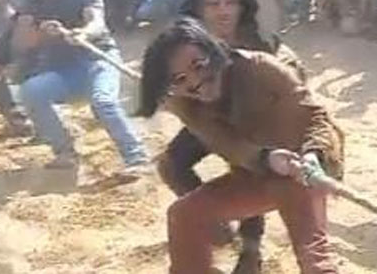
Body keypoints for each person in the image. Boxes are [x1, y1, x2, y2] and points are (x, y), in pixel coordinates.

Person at [138, 17, 343, 274]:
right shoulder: (183, 102)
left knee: (315, 260)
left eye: (199, 65)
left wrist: (314, 157)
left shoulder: (261, 67)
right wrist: (267, 159)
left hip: (304, 169)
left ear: (214, 52)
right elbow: (227, 144)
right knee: (184, 215)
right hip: (257, 170)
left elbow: (316, 118)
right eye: (179, 79)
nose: (195, 82)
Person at [157, 0, 307, 273]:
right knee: (171, 163)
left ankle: (251, 250)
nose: (223, 11)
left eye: (230, 2)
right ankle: (217, 222)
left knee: (247, 165)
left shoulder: (263, 42)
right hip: (213, 122)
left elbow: (295, 86)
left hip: (259, 128)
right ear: (199, 8)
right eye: (213, 3)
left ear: (242, 6)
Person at [14, 0, 150, 173]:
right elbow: (21, 42)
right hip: (63, 72)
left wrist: (84, 33)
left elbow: (97, 21)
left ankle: (136, 157)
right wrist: (40, 32)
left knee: (103, 102)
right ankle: (65, 151)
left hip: (98, 61)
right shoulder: (32, 2)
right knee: (30, 91)